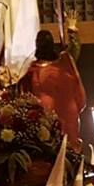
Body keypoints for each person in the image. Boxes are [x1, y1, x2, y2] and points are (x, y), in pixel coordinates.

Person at [19, 15, 85, 147]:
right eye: (40, 42)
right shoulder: (31, 70)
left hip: (65, 113)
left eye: (46, 42)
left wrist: (72, 30)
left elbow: (74, 49)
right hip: (42, 117)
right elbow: (22, 92)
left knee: (67, 144)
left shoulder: (64, 62)